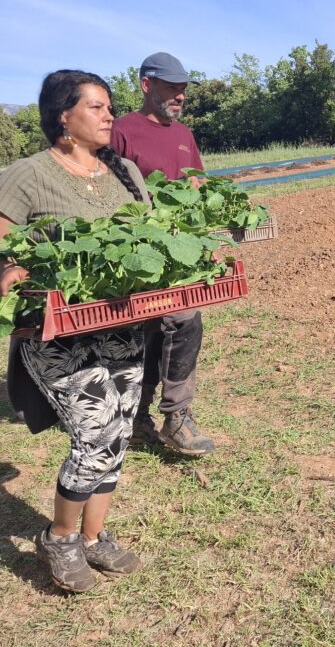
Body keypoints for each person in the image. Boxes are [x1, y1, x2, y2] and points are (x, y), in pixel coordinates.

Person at [0, 70, 151, 593]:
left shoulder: (127, 174)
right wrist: (5, 271)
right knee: (94, 434)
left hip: (120, 326)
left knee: (118, 431)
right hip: (55, 330)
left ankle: (95, 538)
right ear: (62, 117)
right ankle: (61, 537)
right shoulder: (26, 176)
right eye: (96, 107)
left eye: (109, 106)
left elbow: (151, 242)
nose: (109, 115)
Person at [111, 52, 215, 457]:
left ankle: (176, 416)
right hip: (136, 252)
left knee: (184, 321)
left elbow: (197, 187)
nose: (180, 96)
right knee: (147, 332)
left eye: (183, 89)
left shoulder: (184, 135)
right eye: (172, 88)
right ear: (146, 85)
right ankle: (138, 418)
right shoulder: (121, 131)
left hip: (179, 253)